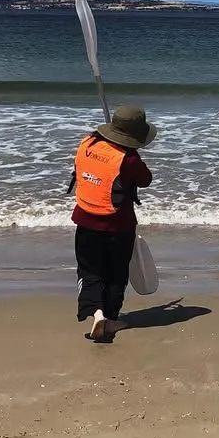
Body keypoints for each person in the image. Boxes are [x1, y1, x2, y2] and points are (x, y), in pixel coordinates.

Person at [69, 105, 156, 342]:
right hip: (118, 226)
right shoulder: (128, 159)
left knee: (89, 271)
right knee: (116, 274)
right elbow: (145, 180)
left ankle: (96, 314)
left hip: (85, 221)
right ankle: (111, 318)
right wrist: (131, 155)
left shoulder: (87, 143)